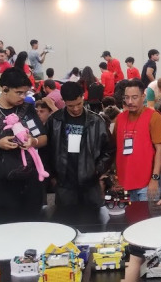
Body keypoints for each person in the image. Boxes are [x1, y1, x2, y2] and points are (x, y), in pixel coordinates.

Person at [0, 68, 48, 221]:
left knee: (34, 227)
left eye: (25, 93)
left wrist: (33, 141)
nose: (23, 97)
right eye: (19, 93)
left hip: (30, 184)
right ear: (5, 89)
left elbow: (43, 138)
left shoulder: (27, 109)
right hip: (0, 186)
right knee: (4, 228)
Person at [46, 81, 115, 210]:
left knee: (93, 217)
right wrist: (52, 175)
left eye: (79, 104)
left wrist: (97, 169)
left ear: (83, 97)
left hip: (90, 182)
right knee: (66, 218)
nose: (76, 109)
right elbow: (47, 150)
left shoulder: (96, 121)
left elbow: (109, 149)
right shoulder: (54, 120)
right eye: (71, 106)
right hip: (64, 182)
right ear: (64, 101)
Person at [113, 78, 161, 201]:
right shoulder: (120, 118)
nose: (130, 101)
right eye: (126, 97)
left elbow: (160, 150)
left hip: (147, 182)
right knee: (130, 213)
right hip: (125, 181)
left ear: (143, 96)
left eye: (134, 97)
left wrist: (155, 178)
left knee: (147, 213)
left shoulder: (154, 117)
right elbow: (116, 148)